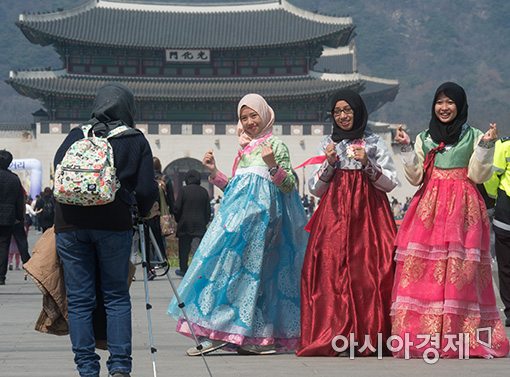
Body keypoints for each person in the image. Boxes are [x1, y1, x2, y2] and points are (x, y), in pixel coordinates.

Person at [168, 93, 308, 356]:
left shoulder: (276, 145)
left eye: (253, 115)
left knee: (252, 278)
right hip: (232, 225)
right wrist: (214, 173)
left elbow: (288, 185)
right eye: (244, 117)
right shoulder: (245, 149)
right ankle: (222, 330)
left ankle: (242, 333)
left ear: (265, 114)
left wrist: (272, 165)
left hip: (261, 226)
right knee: (222, 272)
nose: (249, 122)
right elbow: (237, 187)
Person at [391, 81, 509, 358]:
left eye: (450, 102)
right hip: (429, 209)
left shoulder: (475, 136)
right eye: (440, 102)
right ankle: (425, 334)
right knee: (427, 270)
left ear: (460, 106)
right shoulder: (424, 138)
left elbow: (479, 176)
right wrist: (407, 149)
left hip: (464, 210)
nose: (444, 108)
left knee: (461, 272)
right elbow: (416, 178)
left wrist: (485, 146)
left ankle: (460, 334)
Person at [53, 83, 158, 377]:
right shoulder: (135, 139)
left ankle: (86, 367)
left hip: (70, 224)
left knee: (79, 298)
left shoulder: (76, 135)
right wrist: (136, 207)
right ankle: (121, 366)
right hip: (113, 224)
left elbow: (58, 170)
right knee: (115, 296)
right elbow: (148, 189)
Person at [297, 90, 398, 356]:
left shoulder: (374, 142)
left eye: (347, 110)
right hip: (334, 215)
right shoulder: (328, 144)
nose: (342, 116)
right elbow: (315, 188)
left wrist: (367, 164)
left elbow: (390, 182)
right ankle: (337, 333)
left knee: (370, 271)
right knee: (331, 271)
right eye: (337, 111)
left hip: (369, 216)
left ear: (358, 111)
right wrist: (329, 163)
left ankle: (369, 334)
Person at [484, 136, 510, 327]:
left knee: (506, 265)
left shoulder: (504, 145)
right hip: (505, 213)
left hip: (505, 209)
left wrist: (492, 197)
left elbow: (492, 176)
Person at [174, 169, 211, 277]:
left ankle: (183, 269)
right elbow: (208, 210)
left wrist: (178, 219)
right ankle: (197, 269)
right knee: (197, 249)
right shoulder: (204, 191)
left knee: (184, 249)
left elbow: (177, 208)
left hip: (185, 225)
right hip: (199, 225)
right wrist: (205, 221)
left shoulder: (183, 191)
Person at [0, 150, 25, 286]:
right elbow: (19, 201)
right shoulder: (14, 179)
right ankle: (1, 276)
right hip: (8, 217)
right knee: (4, 246)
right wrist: (20, 217)